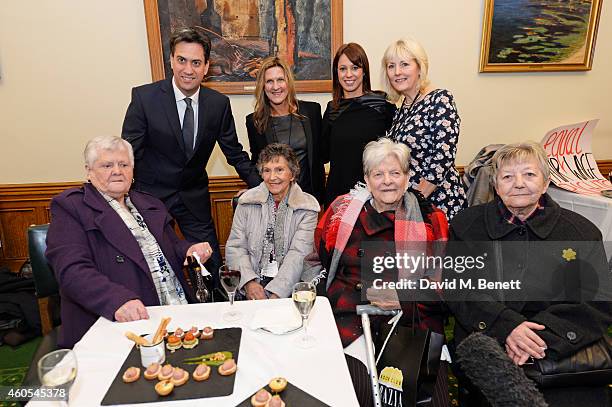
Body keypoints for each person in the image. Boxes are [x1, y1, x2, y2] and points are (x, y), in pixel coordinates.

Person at [446, 141, 612, 406]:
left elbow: (597, 302)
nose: (519, 183)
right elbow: (460, 288)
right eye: (508, 176)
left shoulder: (581, 232)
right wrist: (508, 326)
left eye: (529, 174)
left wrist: (535, 339)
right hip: (490, 340)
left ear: (546, 182)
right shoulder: (467, 226)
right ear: (496, 185)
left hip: (561, 350)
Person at [303, 138, 449, 406]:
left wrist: (403, 296)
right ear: (367, 180)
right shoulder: (341, 212)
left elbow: (447, 286)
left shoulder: (431, 220)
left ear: (407, 178)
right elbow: (319, 260)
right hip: (350, 316)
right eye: (378, 174)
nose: (387, 181)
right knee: (354, 391)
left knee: (428, 397)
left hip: (412, 319)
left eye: (395, 173)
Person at [45, 136, 213, 348]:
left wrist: (189, 249)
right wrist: (116, 300)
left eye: (124, 164)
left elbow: (172, 245)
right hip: (119, 323)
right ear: (89, 171)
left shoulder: (149, 202)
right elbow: (72, 271)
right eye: (107, 165)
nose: (117, 171)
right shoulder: (71, 207)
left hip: (175, 312)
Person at [122, 27, 260, 278]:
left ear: (206, 67)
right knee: (157, 268)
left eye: (196, 63)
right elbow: (129, 152)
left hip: (193, 199)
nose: (188, 69)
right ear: (171, 61)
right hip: (151, 198)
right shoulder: (145, 98)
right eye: (182, 60)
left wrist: (264, 187)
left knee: (212, 268)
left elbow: (234, 153)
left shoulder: (218, 104)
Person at [383, 37, 466, 219]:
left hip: (436, 203)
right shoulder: (402, 108)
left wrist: (416, 200)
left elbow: (441, 159)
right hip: (410, 204)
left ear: (419, 67)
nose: (397, 72)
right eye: (391, 66)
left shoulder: (440, 100)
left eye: (404, 64)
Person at [226, 143, 319, 299]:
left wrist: (277, 293)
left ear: (293, 174)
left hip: (294, 286)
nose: (272, 177)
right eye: (267, 170)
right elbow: (236, 247)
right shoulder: (247, 202)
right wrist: (249, 283)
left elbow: (298, 255)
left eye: (279, 170)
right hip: (253, 280)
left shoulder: (307, 207)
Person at [322, 43, 396, 207]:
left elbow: (397, 151)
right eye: (342, 69)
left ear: (364, 72)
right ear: (336, 73)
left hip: (375, 196)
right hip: (338, 196)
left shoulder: (381, 104)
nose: (348, 74)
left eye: (355, 68)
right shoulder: (332, 109)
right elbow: (323, 154)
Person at [246, 56, 324, 203]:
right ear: (263, 86)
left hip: (310, 200)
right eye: (269, 81)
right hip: (274, 202)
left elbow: (321, 155)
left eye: (280, 80)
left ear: (288, 82)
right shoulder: (254, 121)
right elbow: (257, 163)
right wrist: (252, 189)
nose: (276, 87)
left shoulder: (312, 111)